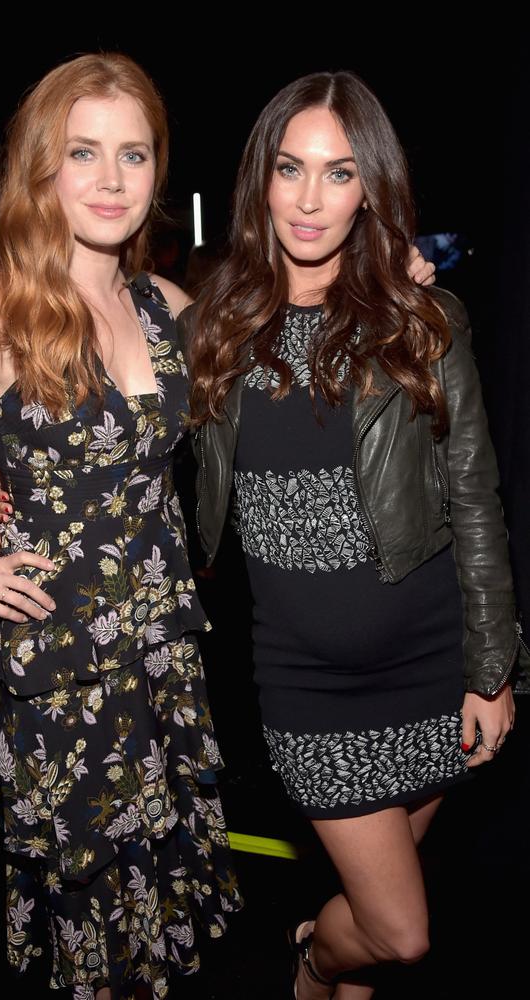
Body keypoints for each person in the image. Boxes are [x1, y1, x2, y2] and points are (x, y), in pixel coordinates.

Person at [0, 53, 244, 1000]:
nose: (113, 180)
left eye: (134, 155)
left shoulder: (167, 306)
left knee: (165, 912)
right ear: (44, 166)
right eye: (86, 153)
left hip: (166, 650)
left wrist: (391, 279)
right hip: (63, 667)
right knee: (97, 926)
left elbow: (275, 379)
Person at [179, 72, 522, 999]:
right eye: (291, 169)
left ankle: (335, 976)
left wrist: (490, 668)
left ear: (370, 185)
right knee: (399, 931)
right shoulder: (210, 327)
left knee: (373, 910)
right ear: (262, 179)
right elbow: (120, 446)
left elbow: (477, 502)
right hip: (309, 683)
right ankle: (308, 960)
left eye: (338, 173)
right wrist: (15, 490)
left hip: (433, 663)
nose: (309, 198)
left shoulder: (423, 321)